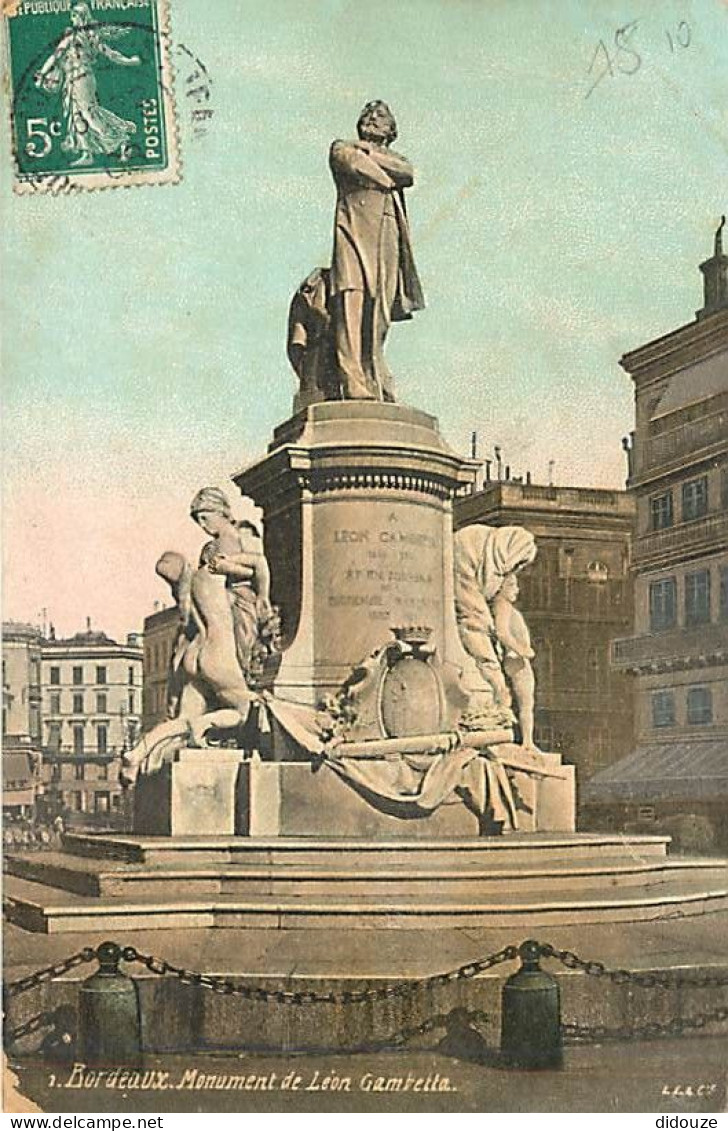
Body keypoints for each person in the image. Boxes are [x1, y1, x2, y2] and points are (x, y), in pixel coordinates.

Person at [328, 100, 424, 400]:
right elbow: (355, 164)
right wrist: (382, 173)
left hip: (387, 232)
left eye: (380, 116)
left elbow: (407, 172)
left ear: (391, 129)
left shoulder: (393, 158)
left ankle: (374, 373)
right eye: (368, 114)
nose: (372, 118)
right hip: (353, 230)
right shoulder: (342, 147)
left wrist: (373, 156)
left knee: (379, 309)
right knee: (351, 300)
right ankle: (351, 377)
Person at [34, 2, 140, 168]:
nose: (72, 19)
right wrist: (42, 73)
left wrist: (129, 62)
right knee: (77, 117)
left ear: (82, 17)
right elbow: (57, 56)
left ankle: (120, 141)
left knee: (89, 114)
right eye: (72, 15)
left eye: (75, 15)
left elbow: (109, 53)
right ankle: (87, 153)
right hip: (72, 80)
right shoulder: (76, 36)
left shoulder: (86, 37)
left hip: (82, 79)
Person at [189, 487, 275, 680]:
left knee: (243, 649)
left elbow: (258, 564)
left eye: (205, 517)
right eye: (198, 520)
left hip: (243, 601)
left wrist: (262, 595)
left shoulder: (243, 535)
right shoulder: (208, 549)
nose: (202, 525)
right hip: (218, 606)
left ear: (221, 511)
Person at [492, 573, 537, 750]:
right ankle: (527, 742)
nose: (516, 590)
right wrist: (522, 650)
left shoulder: (505, 606)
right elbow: (502, 632)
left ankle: (528, 741)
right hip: (515, 659)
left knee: (527, 702)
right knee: (525, 701)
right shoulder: (502, 605)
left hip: (518, 659)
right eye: (511, 585)